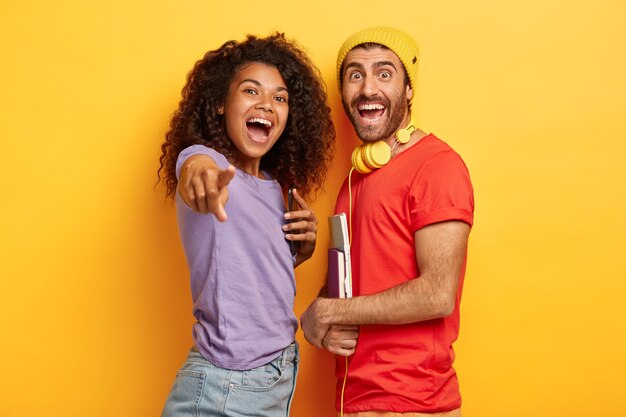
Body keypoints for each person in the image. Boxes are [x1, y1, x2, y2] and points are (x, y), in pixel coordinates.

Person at [157, 33, 335, 417]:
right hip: (225, 387)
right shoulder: (209, 162)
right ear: (221, 104)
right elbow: (195, 170)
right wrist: (199, 181)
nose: (266, 105)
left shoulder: (275, 190)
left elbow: (245, 277)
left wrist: (299, 255)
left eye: (280, 97)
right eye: (251, 91)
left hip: (276, 376)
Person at [300, 27, 474, 417]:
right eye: (355, 75)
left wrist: (328, 313)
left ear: (409, 89)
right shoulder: (353, 180)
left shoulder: (437, 166)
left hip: (413, 403)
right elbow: (349, 284)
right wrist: (318, 317)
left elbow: (437, 294)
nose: (367, 89)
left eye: (384, 73)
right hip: (355, 398)